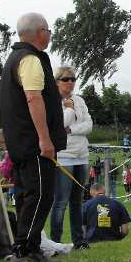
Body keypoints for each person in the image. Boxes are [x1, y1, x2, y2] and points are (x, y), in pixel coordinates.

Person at [0, 12, 66, 262]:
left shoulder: (16, 58)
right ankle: (24, 254)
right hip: (33, 143)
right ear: (40, 32)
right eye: (48, 30)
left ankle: (32, 250)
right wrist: (45, 139)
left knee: (30, 196)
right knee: (39, 196)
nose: (49, 34)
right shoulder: (30, 60)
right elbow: (33, 98)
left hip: (21, 141)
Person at [49, 65, 92, 249]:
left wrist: (72, 129)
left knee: (77, 201)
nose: (70, 82)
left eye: (73, 79)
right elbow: (59, 125)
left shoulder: (79, 100)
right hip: (63, 156)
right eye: (66, 79)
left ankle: (79, 241)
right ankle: (56, 242)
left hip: (82, 155)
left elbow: (89, 125)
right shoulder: (51, 100)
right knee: (60, 202)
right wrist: (69, 110)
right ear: (57, 81)